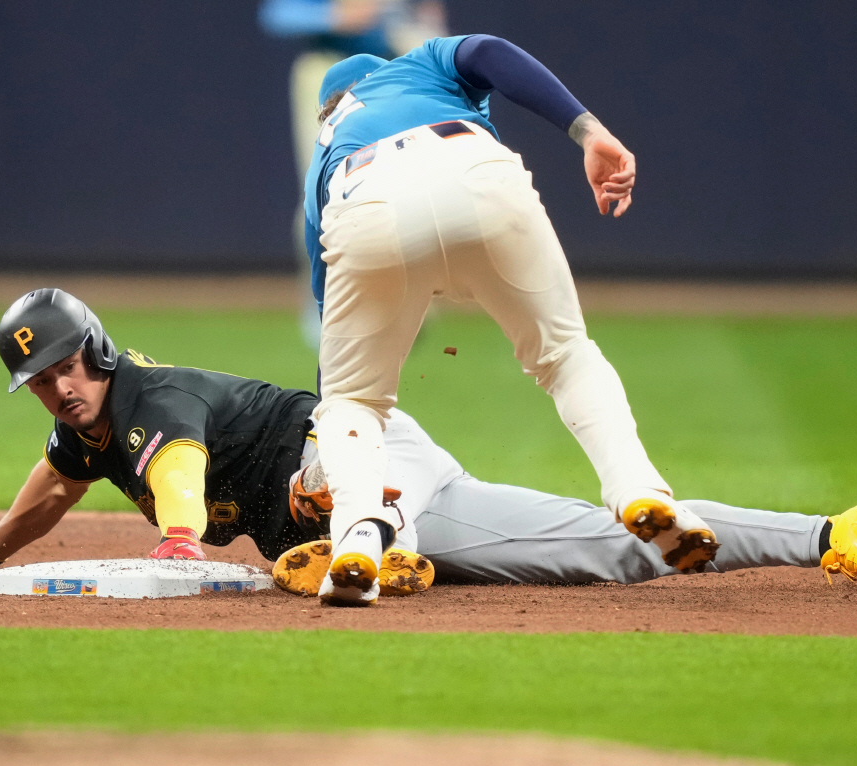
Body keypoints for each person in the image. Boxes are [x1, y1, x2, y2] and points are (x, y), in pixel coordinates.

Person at [0, 289, 857, 601]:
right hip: (396, 481)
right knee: (614, 549)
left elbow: (176, 464)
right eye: (38, 380)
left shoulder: (148, 395)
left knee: (335, 497)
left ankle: (375, 540)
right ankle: (838, 529)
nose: (57, 388)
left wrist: (179, 541)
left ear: (97, 349)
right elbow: (53, 484)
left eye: (66, 367)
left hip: (354, 449)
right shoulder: (81, 426)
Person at [302, 35, 717, 605]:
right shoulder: (419, 66)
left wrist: (337, 448)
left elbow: (333, 345)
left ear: (331, 109)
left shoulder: (322, 157)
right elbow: (489, 53)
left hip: (363, 195)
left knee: (354, 400)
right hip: (475, 171)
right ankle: (640, 489)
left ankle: (358, 537)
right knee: (565, 356)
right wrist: (588, 131)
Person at [258, 0, 448, 350]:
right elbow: (278, 14)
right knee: (325, 194)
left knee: (406, 193)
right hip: (330, 68)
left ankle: (412, 307)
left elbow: (426, 20)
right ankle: (326, 311)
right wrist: (335, 16)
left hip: (396, 69)